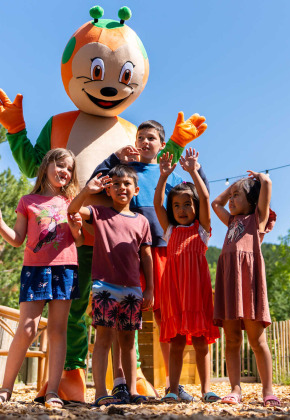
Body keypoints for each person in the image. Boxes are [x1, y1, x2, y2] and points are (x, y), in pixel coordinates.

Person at [89, 120, 210, 402]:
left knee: (166, 317)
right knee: (122, 318)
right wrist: (114, 158)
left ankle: (172, 383)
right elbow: (94, 185)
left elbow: (197, 196)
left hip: (167, 250)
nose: (145, 142)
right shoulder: (127, 172)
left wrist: (196, 167)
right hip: (132, 251)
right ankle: (120, 381)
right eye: (140, 137)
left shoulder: (171, 174)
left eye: (151, 138)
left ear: (161, 144)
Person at [0, 148, 82, 408]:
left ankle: (53, 392)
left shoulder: (73, 202)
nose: (65, 172)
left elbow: (79, 240)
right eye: (60, 165)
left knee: (58, 330)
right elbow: (16, 240)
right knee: (27, 329)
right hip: (34, 269)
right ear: (47, 165)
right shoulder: (27, 201)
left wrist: (78, 228)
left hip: (65, 268)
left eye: (69, 169)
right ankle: (6, 388)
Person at [68, 165, 153, 406]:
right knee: (103, 338)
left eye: (126, 184)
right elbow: (72, 209)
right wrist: (87, 190)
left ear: (135, 190)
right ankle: (100, 392)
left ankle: (132, 391)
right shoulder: (99, 213)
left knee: (128, 342)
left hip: (132, 289)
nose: (121, 188)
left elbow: (146, 257)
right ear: (109, 189)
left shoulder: (142, 221)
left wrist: (150, 289)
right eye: (116, 184)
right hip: (104, 286)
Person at [153, 148, 220, 403]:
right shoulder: (169, 231)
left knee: (202, 342)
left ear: (196, 207)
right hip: (175, 295)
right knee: (177, 342)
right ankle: (173, 389)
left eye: (187, 204)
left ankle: (206, 390)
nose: (181, 209)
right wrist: (163, 176)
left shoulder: (201, 229)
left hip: (197, 293)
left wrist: (193, 171)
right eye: (177, 205)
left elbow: (204, 195)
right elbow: (157, 202)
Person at [211, 171, 280, 407]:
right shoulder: (230, 221)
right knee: (231, 340)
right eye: (231, 196)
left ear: (252, 202)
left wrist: (260, 178)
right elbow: (215, 203)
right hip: (230, 284)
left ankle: (268, 390)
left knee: (257, 340)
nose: (230, 200)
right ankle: (235, 389)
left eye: (236, 196)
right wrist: (231, 189)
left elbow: (267, 184)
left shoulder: (256, 220)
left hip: (248, 286)